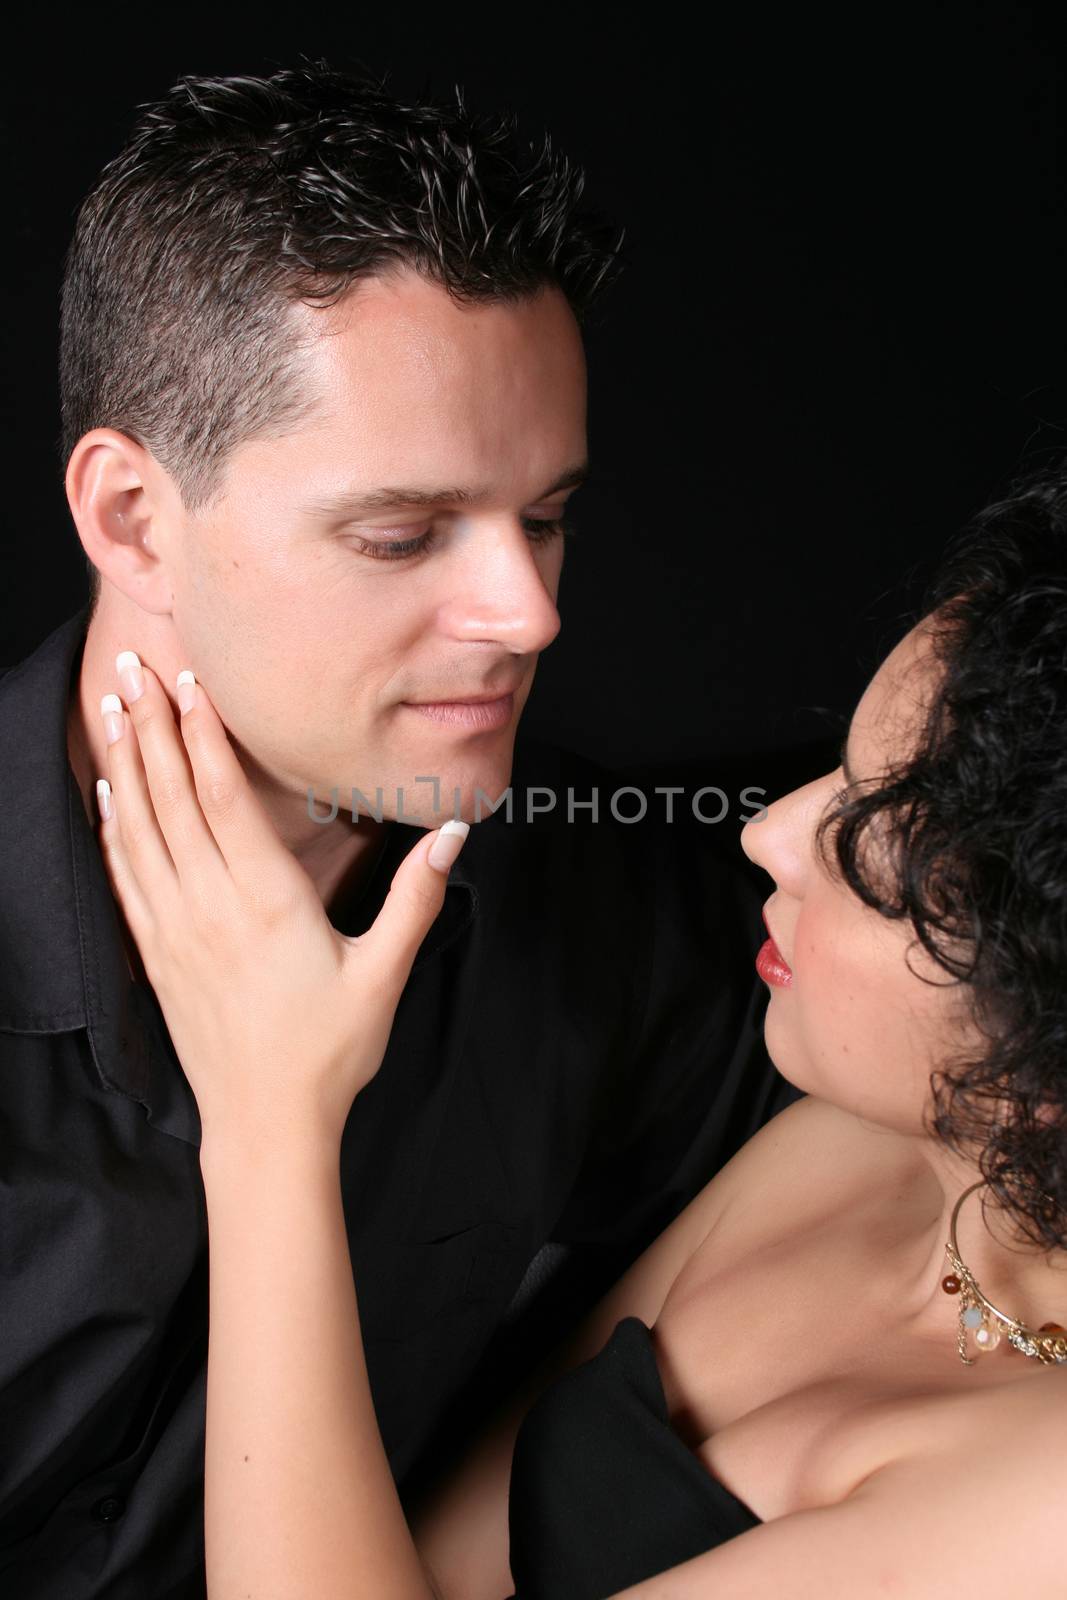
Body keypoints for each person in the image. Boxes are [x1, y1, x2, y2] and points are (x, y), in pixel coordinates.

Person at [0, 63, 803, 1598]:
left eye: (546, 516)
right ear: (128, 518)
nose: (528, 612)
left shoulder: (600, 910)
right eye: (401, 533)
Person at [93, 463, 1067, 1598]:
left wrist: (268, 1122)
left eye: (865, 855)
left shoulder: (1039, 1515)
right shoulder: (864, 1145)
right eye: (835, 776)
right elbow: (431, 1563)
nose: (768, 834)